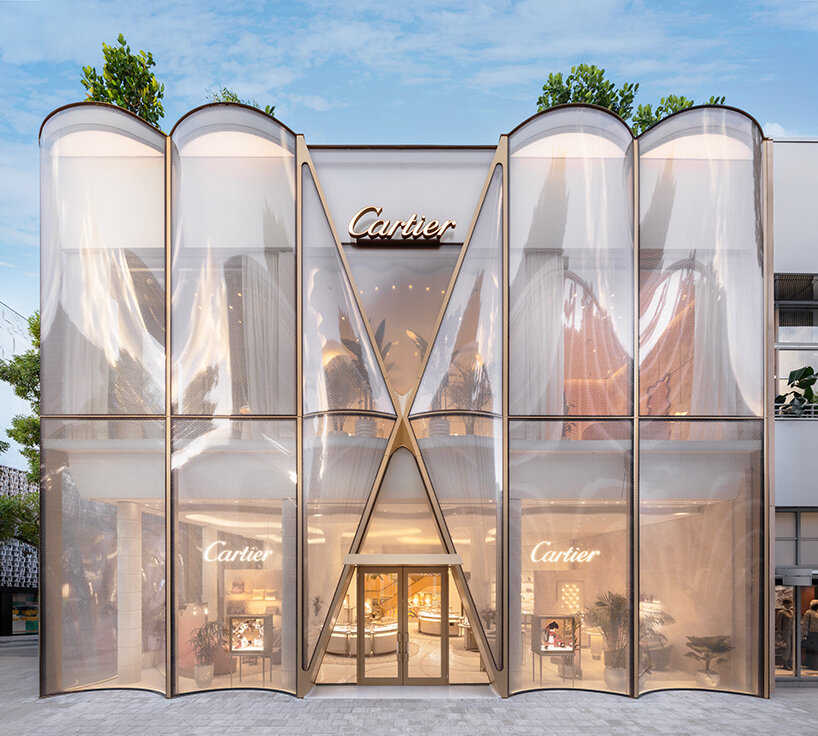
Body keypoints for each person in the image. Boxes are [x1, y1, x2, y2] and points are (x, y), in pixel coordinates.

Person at [776, 599, 794, 670]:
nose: (791, 605)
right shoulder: (781, 612)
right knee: (786, 648)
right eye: (789, 603)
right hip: (785, 632)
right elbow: (779, 623)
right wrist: (779, 632)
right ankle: (785, 663)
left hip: (791, 631)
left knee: (792, 647)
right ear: (785, 604)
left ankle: (790, 662)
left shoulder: (791, 612)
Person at [803, 599, 818, 670]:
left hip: (816, 633)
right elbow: (805, 624)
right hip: (811, 633)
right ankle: (812, 664)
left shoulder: (817, 612)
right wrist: (805, 634)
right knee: (812, 649)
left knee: (815, 649)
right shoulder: (808, 613)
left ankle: (815, 664)